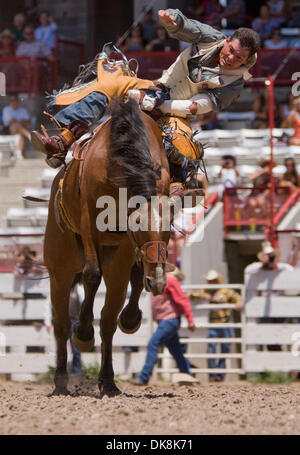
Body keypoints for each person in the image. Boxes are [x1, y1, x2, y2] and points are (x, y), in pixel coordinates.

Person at [30, 8, 260, 174]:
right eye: (230, 50)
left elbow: (197, 106)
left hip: (177, 112)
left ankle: (180, 183)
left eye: (238, 57)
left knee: (181, 145)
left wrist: (159, 106)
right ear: (228, 40)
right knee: (109, 82)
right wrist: (173, 20)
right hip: (157, 87)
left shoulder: (235, 83)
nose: (230, 58)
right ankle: (64, 140)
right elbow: (188, 27)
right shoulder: (213, 38)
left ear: (247, 60)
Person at [132, 268, 196, 385]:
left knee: (153, 343)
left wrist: (190, 319)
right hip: (166, 320)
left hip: (169, 320)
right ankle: (188, 374)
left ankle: (144, 377)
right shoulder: (156, 281)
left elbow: (182, 300)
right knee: (176, 350)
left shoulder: (169, 280)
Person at [190, 269, 241, 382]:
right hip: (213, 324)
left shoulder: (225, 291)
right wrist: (202, 295)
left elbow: (237, 297)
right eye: (210, 281)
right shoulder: (205, 291)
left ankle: (220, 374)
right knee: (211, 349)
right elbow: (190, 294)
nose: (212, 283)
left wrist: (238, 302)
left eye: (213, 280)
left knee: (225, 349)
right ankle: (213, 374)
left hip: (225, 323)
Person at [245, 242, 294, 351]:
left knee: (279, 333)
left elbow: (292, 271)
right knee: (268, 334)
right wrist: (263, 263)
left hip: (280, 308)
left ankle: (277, 357)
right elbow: (248, 270)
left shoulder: (282, 267)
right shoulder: (258, 269)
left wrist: (275, 265)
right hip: (264, 310)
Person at [44, 281, 84, 375]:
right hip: (60, 322)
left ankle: (77, 371)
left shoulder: (79, 290)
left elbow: (84, 305)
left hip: (74, 322)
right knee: (61, 347)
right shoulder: (57, 289)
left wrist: (83, 321)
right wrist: (47, 322)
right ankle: (61, 370)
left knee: (75, 349)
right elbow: (48, 304)